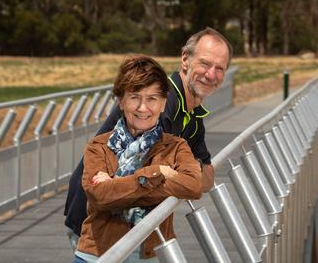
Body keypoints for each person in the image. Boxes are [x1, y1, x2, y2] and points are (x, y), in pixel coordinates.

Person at [65, 27, 233, 248]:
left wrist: (171, 176)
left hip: (130, 229)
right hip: (96, 224)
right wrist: (172, 174)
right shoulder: (162, 103)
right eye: (205, 63)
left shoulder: (193, 115)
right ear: (185, 59)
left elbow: (205, 178)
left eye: (219, 68)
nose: (211, 74)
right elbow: (147, 181)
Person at [73, 55, 202, 262]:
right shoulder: (99, 146)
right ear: (121, 102)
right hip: (96, 255)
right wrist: (157, 173)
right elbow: (99, 196)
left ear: (163, 103)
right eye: (134, 97)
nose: (143, 108)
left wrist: (118, 185)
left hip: (151, 255)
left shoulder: (176, 147)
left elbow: (193, 185)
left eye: (152, 99)